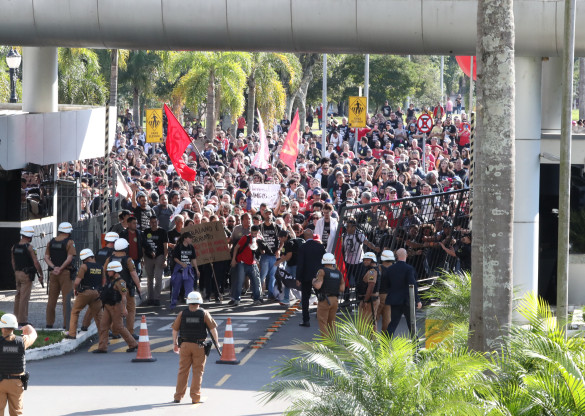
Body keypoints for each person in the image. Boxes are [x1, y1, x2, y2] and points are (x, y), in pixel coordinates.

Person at [172, 291, 219, 404]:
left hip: (184, 345)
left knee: (183, 371)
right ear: (199, 302)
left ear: (188, 301)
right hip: (199, 346)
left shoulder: (182, 314)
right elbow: (213, 330)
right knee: (198, 372)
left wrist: (175, 344)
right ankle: (195, 397)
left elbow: (175, 330)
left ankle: (178, 396)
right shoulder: (204, 314)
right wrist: (217, 343)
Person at [93, 261, 139, 353]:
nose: (108, 272)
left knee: (119, 327)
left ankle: (133, 344)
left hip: (116, 307)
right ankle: (102, 347)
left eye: (110, 271)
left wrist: (124, 308)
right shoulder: (111, 280)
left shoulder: (121, 282)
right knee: (103, 325)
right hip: (107, 306)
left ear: (115, 271)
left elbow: (124, 296)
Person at [0, 314, 37, 415]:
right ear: (14, 327)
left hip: (0, 381)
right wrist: (28, 327)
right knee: (17, 412)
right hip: (16, 383)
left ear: (2, 328)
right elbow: (34, 335)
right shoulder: (22, 341)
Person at [105, 238, 142, 338]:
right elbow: (134, 274)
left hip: (113, 289)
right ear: (125, 248)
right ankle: (130, 332)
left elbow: (104, 272)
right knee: (130, 309)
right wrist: (139, 286)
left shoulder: (110, 259)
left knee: (116, 310)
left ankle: (115, 332)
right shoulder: (128, 260)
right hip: (126, 288)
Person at [44, 222, 77, 329]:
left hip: (53, 274)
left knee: (51, 300)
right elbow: (69, 258)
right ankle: (67, 324)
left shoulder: (51, 241)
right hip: (65, 273)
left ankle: (49, 323)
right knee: (66, 300)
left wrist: (54, 267)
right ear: (68, 231)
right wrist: (61, 268)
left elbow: (46, 257)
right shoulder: (70, 242)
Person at [66, 249, 103, 339]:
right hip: (97, 293)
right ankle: (104, 337)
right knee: (99, 316)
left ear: (84, 259)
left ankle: (72, 334)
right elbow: (103, 281)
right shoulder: (100, 267)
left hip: (85, 292)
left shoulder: (84, 266)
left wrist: (75, 289)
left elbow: (77, 282)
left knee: (75, 311)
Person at [385, 248, 422, 337]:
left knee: (392, 324)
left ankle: (385, 343)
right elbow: (413, 284)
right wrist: (417, 300)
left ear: (397, 256)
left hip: (395, 300)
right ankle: (415, 344)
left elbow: (387, 284)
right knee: (412, 324)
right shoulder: (409, 269)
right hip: (407, 300)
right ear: (406, 256)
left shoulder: (390, 269)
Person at [11, 226, 43, 326]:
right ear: (29, 237)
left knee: (18, 296)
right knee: (24, 298)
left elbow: (13, 261)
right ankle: (22, 321)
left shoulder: (14, 247)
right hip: (26, 275)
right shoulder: (29, 247)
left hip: (17, 273)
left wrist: (16, 271)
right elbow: (36, 262)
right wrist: (41, 274)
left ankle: (15, 319)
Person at [295, 229, 326, 327]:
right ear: (312, 236)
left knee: (305, 298)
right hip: (318, 275)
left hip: (306, 276)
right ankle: (323, 316)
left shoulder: (302, 247)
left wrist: (298, 278)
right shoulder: (320, 246)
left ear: (304, 237)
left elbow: (300, 264)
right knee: (321, 296)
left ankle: (306, 320)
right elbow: (325, 261)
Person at [229, 225, 264, 306]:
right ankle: (236, 299)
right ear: (250, 231)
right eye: (252, 233)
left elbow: (261, 251)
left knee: (256, 281)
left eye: (255, 233)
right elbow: (236, 247)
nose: (254, 235)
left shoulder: (259, 239)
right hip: (242, 262)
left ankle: (257, 298)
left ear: (258, 232)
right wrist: (234, 259)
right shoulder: (245, 238)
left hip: (253, 263)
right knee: (239, 281)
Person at [312, 253, 345, 335]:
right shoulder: (338, 273)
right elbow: (342, 289)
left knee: (323, 322)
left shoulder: (322, 271)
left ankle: (326, 342)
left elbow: (318, 286)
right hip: (335, 300)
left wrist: (313, 281)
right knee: (332, 322)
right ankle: (333, 340)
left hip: (325, 300)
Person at [143, 215, 169, 306]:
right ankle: (150, 298)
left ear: (158, 222)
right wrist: (143, 258)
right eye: (152, 222)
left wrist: (165, 259)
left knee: (158, 277)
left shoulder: (162, 232)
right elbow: (143, 246)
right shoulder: (146, 232)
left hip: (159, 256)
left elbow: (165, 247)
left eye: (155, 222)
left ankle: (157, 298)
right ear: (149, 223)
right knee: (149, 278)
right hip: (148, 257)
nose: (154, 224)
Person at [170, 232, 200, 310]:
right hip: (179, 270)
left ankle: (190, 305)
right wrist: (181, 263)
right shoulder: (178, 247)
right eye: (190, 238)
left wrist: (197, 269)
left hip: (188, 270)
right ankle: (173, 303)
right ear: (185, 239)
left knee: (189, 288)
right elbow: (175, 258)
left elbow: (193, 259)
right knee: (176, 288)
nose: (191, 239)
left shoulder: (191, 247)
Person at [357, 252, 381, 330]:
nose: (365, 261)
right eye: (364, 260)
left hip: (370, 299)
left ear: (372, 260)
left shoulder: (372, 271)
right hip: (372, 299)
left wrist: (366, 301)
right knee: (372, 321)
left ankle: (362, 337)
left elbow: (371, 286)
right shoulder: (372, 269)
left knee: (363, 322)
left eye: (367, 260)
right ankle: (373, 337)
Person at [376, 250, 394, 333]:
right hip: (390, 296)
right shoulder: (395, 268)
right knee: (387, 319)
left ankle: (372, 338)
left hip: (379, 295)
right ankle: (385, 339)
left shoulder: (379, 268)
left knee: (374, 318)